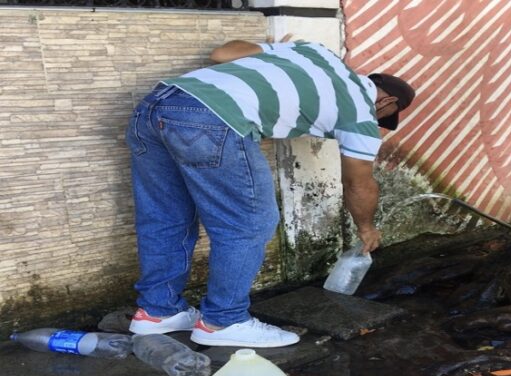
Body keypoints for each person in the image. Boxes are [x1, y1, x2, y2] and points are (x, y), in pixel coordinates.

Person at [125, 35, 415, 348]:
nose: (378, 123)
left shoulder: (315, 51)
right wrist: (366, 227)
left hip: (155, 106)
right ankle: (224, 320)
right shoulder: (360, 113)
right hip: (211, 119)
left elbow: (222, 53)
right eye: (383, 119)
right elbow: (359, 183)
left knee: (166, 217)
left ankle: (158, 312)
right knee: (249, 223)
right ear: (386, 104)